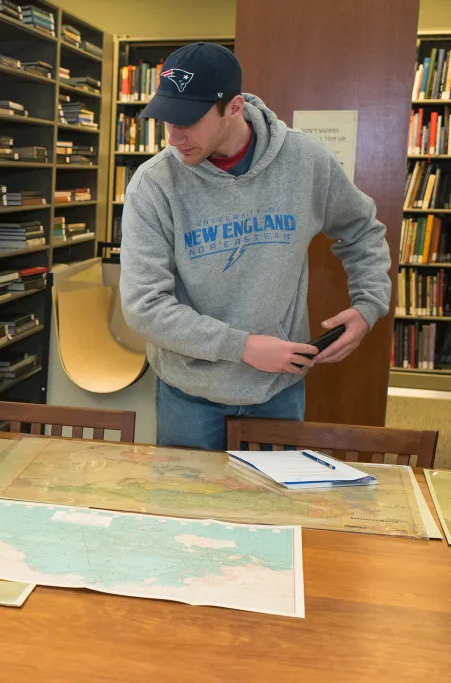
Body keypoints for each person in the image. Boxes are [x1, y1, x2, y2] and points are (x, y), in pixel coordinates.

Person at [118, 42, 391, 451]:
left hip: (278, 390)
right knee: (187, 513)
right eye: (166, 120)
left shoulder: (306, 161)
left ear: (234, 107)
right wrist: (242, 347)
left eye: (188, 120)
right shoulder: (153, 184)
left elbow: (362, 229)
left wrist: (369, 305)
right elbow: (144, 305)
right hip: (189, 392)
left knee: (274, 512)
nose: (175, 137)